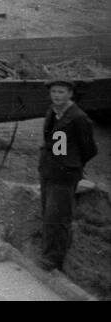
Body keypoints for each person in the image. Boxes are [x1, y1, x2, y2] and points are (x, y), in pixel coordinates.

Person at [38, 80, 97, 271]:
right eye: (54, 92)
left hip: (64, 176)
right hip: (48, 171)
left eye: (61, 92)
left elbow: (89, 149)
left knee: (58, 217)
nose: (56, 95)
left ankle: (53, 260)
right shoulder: (53, 112)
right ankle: (47, 249)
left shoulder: (78, 118)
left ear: (70, 93)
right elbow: (52, 142)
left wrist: (72, 165)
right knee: (48, 213)